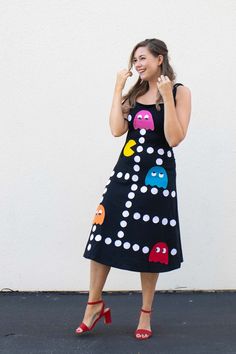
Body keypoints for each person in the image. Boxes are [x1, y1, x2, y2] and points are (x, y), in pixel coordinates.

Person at [75, 38, 191, 340]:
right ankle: (93, 305)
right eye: (135, 60)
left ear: (160, 59)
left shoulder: (179, 92)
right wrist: (117, 88)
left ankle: (145, 313)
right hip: (124, 175)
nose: (137, 64)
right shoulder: (135, 93)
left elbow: (175, 138)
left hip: (158, 180)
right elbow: (116, 129)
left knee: (150, 241)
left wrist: (166, 95)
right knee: (102, 231)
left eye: (142, 59)